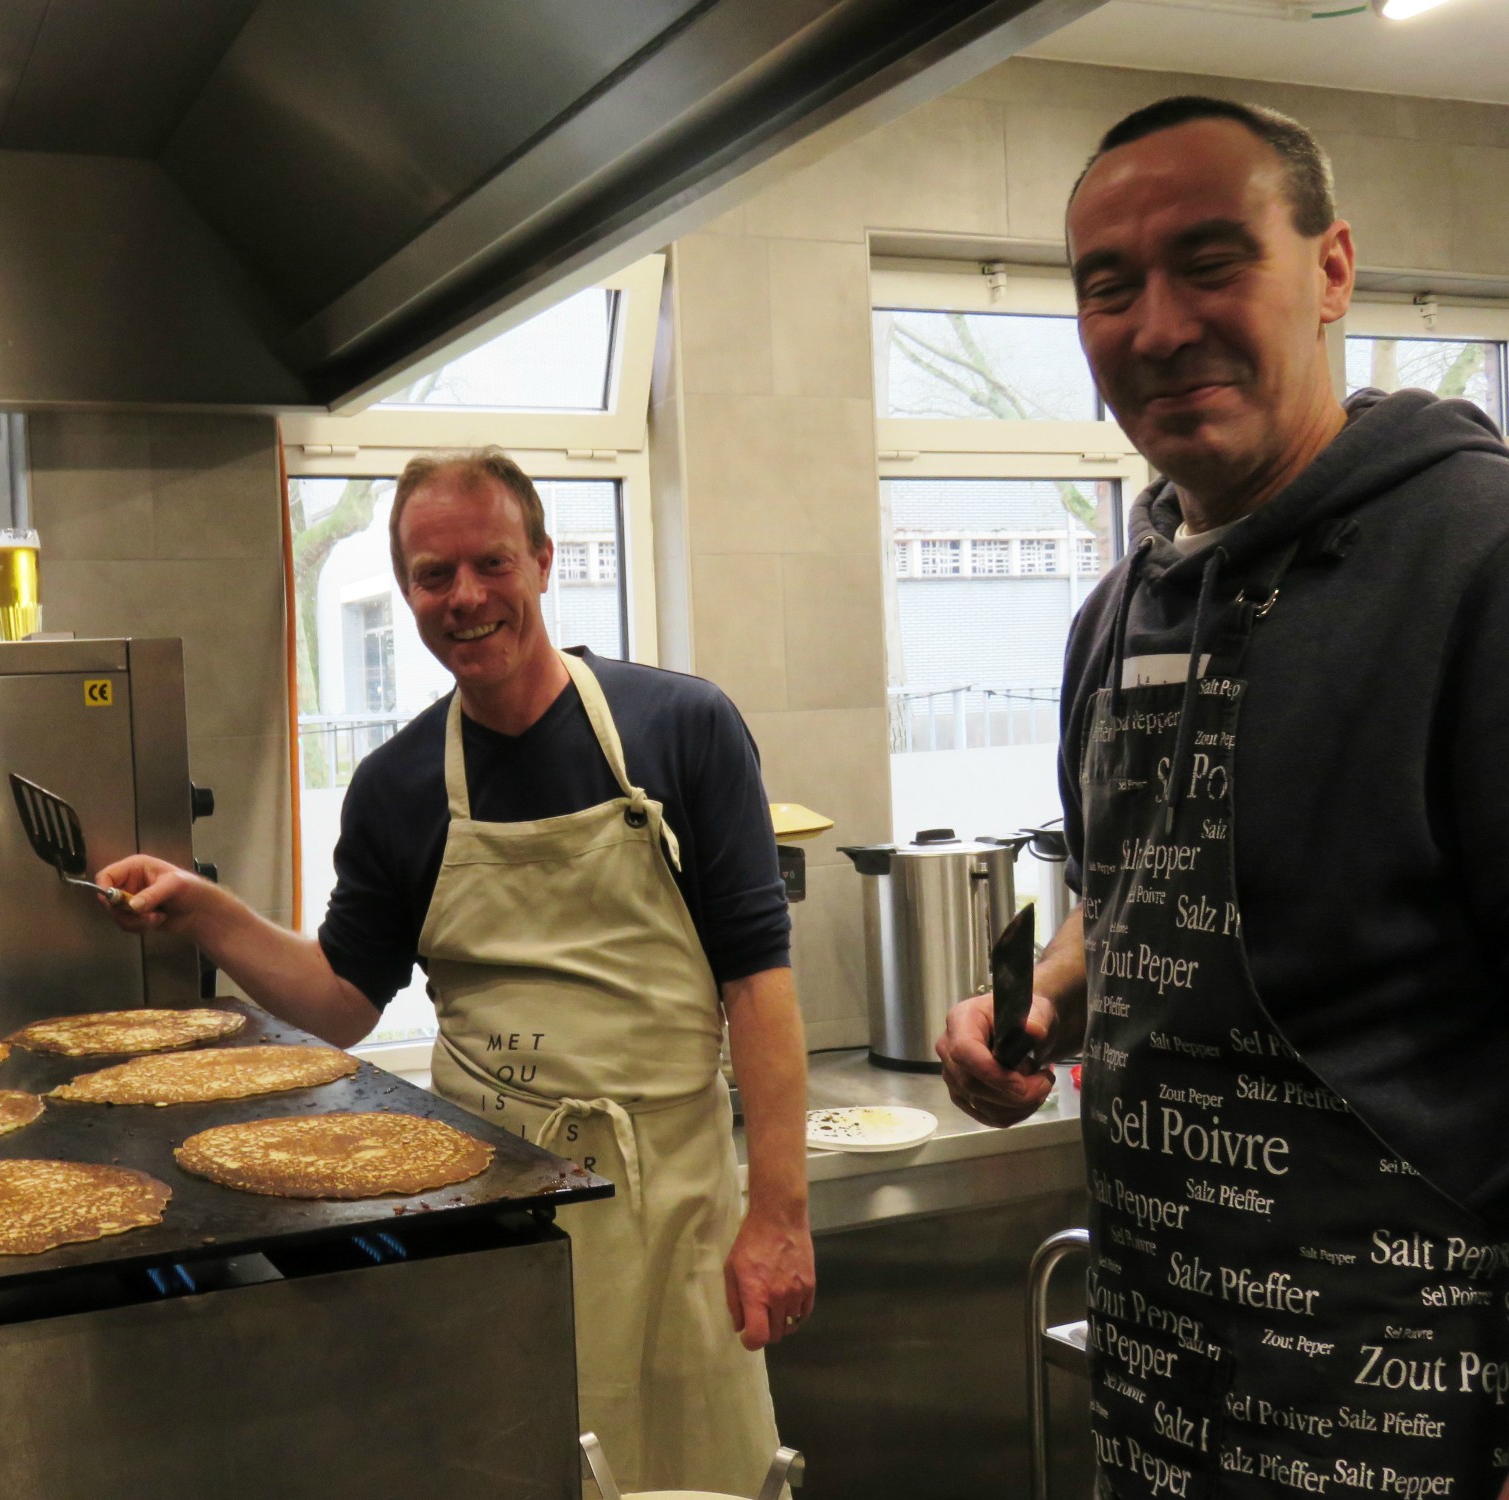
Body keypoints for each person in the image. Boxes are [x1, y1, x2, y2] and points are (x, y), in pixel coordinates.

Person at [937, 97, 1509, 1498]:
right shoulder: (1118, 610)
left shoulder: (1473, 564)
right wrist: (1049, 1000)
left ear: (1331, 270)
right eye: (1108, 285)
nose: (1158, 323)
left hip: (1412, 1403)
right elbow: (1137, 898)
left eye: (1210, 260)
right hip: (1166, 1380)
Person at [100, 448, 814, 1494]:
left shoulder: (680, 729)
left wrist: (779, 1216)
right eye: (433, 576)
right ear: (406, 592)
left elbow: (758, 985)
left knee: (698, 1475)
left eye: (490, 564)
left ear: (541, 561)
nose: (464, 598)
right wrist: (206, 911)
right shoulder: (396, 788)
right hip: (490, 1205)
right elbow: (340, 1003)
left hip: (674, 1205)